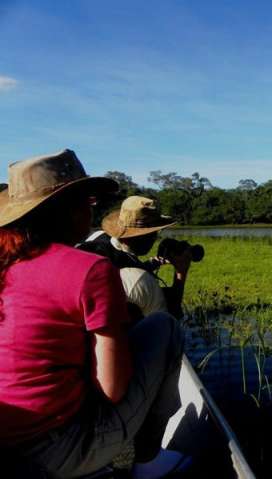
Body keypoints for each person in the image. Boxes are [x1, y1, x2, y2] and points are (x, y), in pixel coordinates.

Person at [0, 150, 188, 479]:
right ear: (71, 209)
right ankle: (147, 460)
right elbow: (112, 391)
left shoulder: (7, 261)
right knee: (164, 327)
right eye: (88, 201)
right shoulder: (89, 269)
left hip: (7, 440)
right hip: (53, 451)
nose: (92, 208)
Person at [79, 195, 192, 321]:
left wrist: (151, 264)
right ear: (132, 236)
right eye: (152, 233)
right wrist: (181, 272)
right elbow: (170, 316)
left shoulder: (97, 237)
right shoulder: (133, 272)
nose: (155, 238)